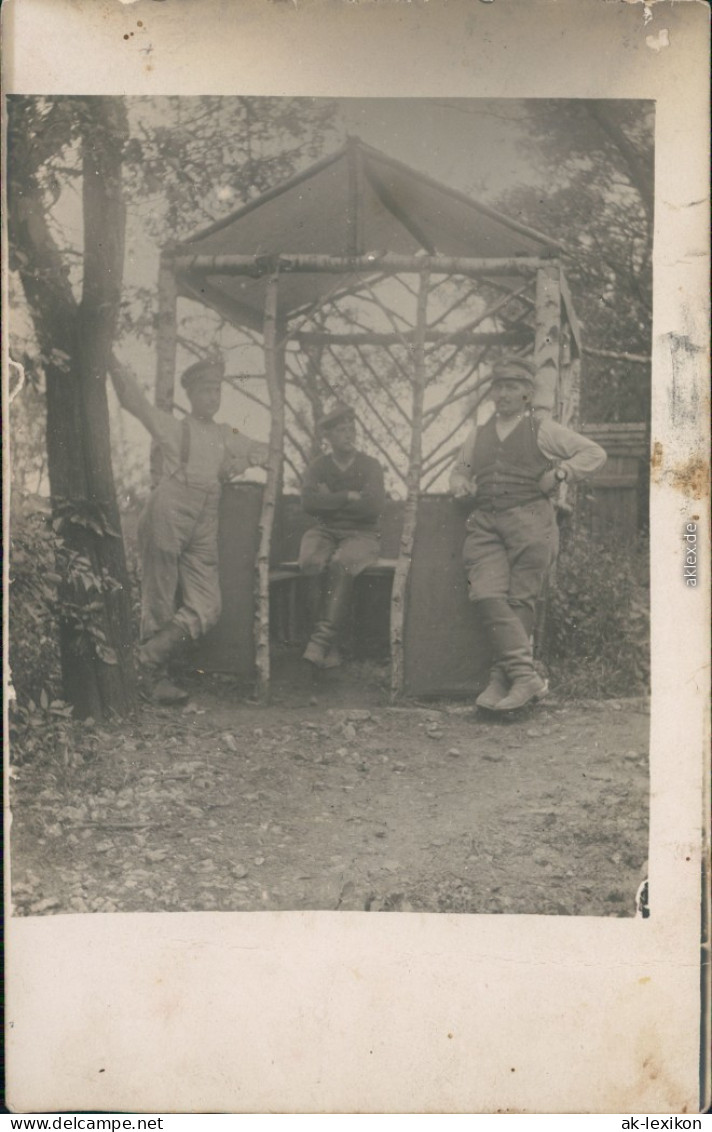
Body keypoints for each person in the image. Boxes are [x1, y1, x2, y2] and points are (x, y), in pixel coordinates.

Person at [450, 355, 606, 712]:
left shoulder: (542, 429)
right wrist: (460, 485)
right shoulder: (479, 434)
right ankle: (525, 676)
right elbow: (459, 472)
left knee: (521, 600)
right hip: (486, 522)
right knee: (486, 594)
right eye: (498, 386)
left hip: (531, 521)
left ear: (527, 394)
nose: (502, 394)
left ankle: (501, 679)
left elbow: (593, 453)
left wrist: (562, 473)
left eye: (512, 387)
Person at [109, 355, 269, 703]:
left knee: (208, 606)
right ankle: (154, 681)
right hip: (170, 507)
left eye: (217, 390)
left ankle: (144, 659)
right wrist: (111, 361)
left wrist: (243, 461)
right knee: (160, 595)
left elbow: (262, 449)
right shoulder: (176, 428)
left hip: (205, 516)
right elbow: (133, 402)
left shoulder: (226, 433)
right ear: (192, 395)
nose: (213, 397)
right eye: (206, 391)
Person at [299, 403, 386, 668]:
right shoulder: (318, 466)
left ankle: (321, 641)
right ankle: (331, 646)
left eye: (351, 429)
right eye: (341, 430)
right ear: (328, 437)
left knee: (342, 562)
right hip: (325, 531)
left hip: (363, 535)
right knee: (310, 561)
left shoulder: (371, 466)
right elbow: (309, 503)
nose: (349, 435)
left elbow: (373, 506)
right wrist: (348, 496)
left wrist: (330, 498)